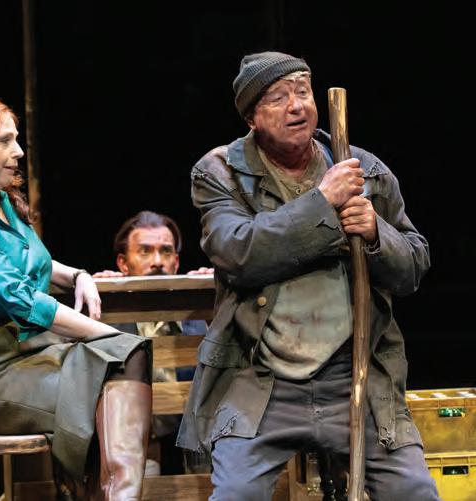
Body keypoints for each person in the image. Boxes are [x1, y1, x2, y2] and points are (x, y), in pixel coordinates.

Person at [176, 51, 440, 500]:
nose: (296, 105)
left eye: (303, 91)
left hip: (353, 379)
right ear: (251, 117)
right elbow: (238, 254)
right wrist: (322, 203)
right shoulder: (221, 171)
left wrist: (376, 233)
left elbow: (414, 265)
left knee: (414, 491)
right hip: (261, 382)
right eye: (278, 98)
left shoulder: (364, 170)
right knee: (236, 494)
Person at [0, 95, 152, 501]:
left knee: (128, 357)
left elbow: (38, 262)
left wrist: (79, 276)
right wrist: (102, 333)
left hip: (36, 353)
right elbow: (21, 298)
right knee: (118, 359)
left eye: (16, 139)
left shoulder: (5, 205)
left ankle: (117, 494)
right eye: (4, 141)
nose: (17, 151)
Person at [92, 210, 212, 475]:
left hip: (191, 444)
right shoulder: (109, 317)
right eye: (145, 251)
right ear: (123, 264)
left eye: (166, 251)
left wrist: (217, 299)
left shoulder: (197, 314)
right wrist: (98, 302)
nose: (157, 261)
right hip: (133, 444)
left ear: (176, 262)